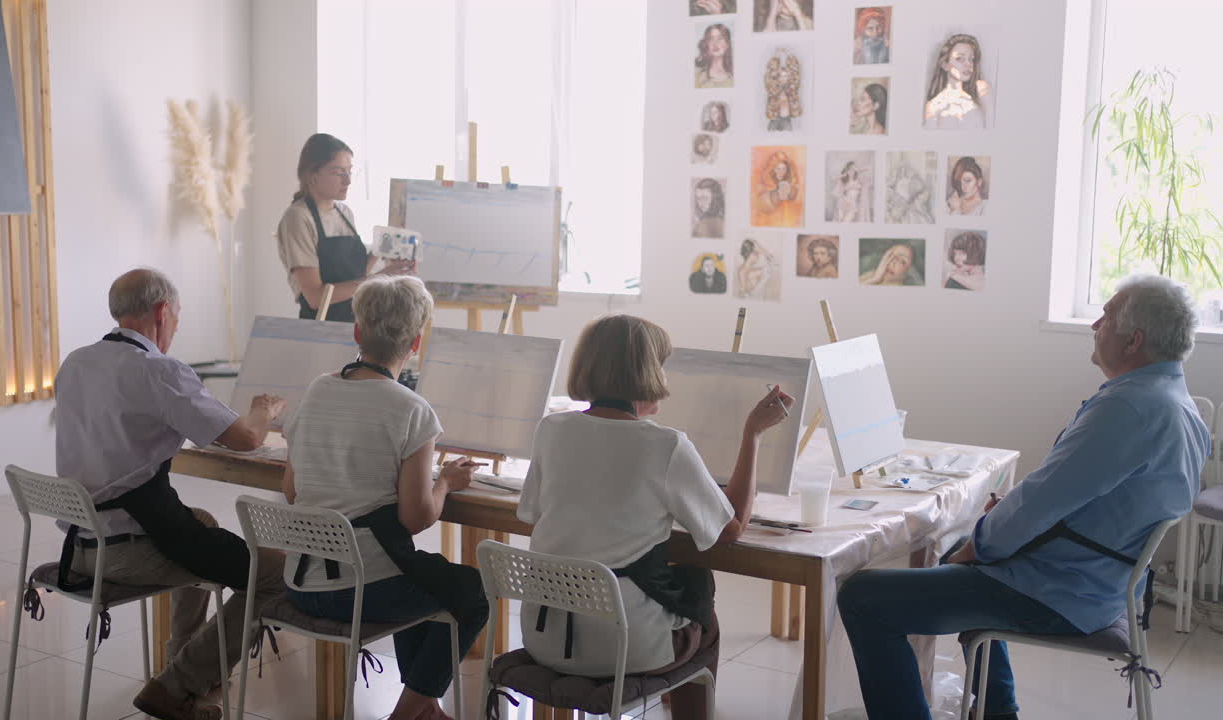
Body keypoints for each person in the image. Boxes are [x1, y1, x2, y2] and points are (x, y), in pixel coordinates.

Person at [837, 275, 1210, 720]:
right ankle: (1000, 711)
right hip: (1106, 585)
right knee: (965, 549)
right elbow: (1071, 497)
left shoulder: (1128, 408)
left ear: (1134, 340)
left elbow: (1038, 505)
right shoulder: (1180, 404)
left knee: (863, 596)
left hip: (1063, 593)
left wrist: (979, 545)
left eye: (1106, 315)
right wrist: (986, 537)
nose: (1094, 323)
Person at [517, 314, 794, 720]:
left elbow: (531, 513)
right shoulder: (664, 444)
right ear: (647, 371)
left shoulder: (551, 430)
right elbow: (730, 530)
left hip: (544, 637)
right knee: (705, 615)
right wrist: (752, 433)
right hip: (624, 646)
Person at [54, 269, 289, 720]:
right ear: (163, 312)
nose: (176, 327)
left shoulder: (76, 361)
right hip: (124, 550)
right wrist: (263, 410)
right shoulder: (158, 370)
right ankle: (176, 683)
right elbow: (242, 438)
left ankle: (187, 679)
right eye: (177, 317)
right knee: (277, 574)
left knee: (201, 522)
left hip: (81, 543)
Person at [282, 275, 489, 720]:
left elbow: (292, 490)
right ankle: (407, 714)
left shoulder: (316, 390)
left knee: (422, 571)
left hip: (300, 583)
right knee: (471, 591)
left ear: (357, 332)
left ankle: (426, 710)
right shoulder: (411, 410)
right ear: (416, 342)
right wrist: (447, 483)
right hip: (359, 593)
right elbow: (416, 518)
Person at [276, 133, 413, 323]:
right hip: (322, 329)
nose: (348, 181)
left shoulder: (345, 212)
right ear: (312, 175)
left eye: (350, 171)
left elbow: (356, 274)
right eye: (339, 172)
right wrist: (379, 278)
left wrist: (382, 246)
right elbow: (316, 298)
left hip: (358, 322)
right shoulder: (298, 218)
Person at [924, 34, 993, 129]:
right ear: (945, 65)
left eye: (971, 59)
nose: (968, 64)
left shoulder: (978, 99)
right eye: (960, 58)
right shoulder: (933, 106)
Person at [753, 151, 800, 227]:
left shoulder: (790, 182)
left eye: (783, 168)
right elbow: (760, 205)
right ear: (773, 169)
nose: (781, 172)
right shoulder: (765, 184)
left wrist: (790, 191)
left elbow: (795, 200)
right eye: (778, 168)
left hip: (788, 221)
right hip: (769, 221)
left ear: (787, 169)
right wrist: (776, 195)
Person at [764, 49, 802, 131]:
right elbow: (770, 73)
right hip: (774, 120)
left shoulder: (792, 88)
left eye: (786, 76)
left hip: (786, 120)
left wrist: (789, 55)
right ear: (778, 76)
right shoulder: (773, 87)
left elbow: (795, 72)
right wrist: (776, 57)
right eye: (781, 75)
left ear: (789, 77)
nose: (783, 78)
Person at [694, 23, 733, 88]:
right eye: (711, 39)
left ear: (727, 44)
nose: (715, 43)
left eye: (720, 38)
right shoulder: (697, 73)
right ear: (706, 44)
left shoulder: (734, 76)